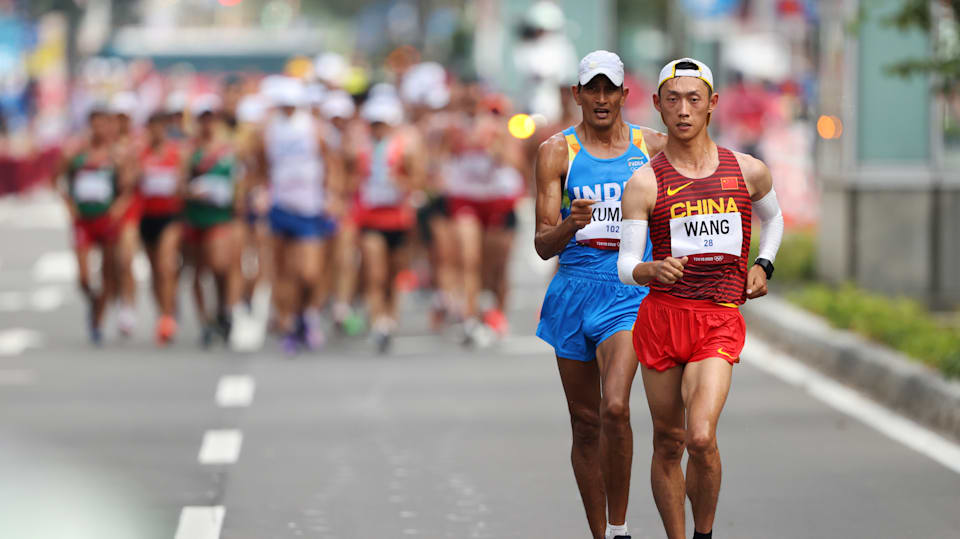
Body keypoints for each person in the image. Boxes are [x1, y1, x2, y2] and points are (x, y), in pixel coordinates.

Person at [617, 58, 784, 539]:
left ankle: (705, 533)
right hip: (663, 320)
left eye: (694, 99)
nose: (683, 110)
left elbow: (773, 219)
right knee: (668, 442)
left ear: (712, 104)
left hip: (717, 318)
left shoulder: (747, 171)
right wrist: (650, 268)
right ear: (657, 105)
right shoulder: (645, 182)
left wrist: (763, 263)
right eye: (673, 99)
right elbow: (626, 267)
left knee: (701, 436)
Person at [533, 50, 665, 539]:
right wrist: (572, 221)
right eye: (594, 89)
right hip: (573, 291)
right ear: (578, 94)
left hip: (627, 291)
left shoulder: (651, 147)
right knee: (585, 422)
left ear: (626, 94)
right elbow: (543, 244)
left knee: (615, 407)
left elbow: (684, 208)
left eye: (612, 89)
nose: (603, 99)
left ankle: (621, 526)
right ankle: (601, 534)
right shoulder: (555, 152)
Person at [259, 78, 341, 354]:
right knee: (283, 272)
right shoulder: (268, 130)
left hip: (310, 207)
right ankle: (288, 323)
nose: (288, 109)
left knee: (309, 272)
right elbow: (261, 164)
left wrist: (332, 195)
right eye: (284, 105)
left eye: (292, 105)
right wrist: (260, 191)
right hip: (281, 205)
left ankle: (308, 313)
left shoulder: (314, 128)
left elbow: (331, 163)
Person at [57, 106, 137, 344]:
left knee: (108, 273)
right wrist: (68, 204)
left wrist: (119, 207)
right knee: (83, 277)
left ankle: (98, 321)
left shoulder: (118, 155)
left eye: (105, 124)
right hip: (83, 220)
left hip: (107, 220)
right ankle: (92, 301)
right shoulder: (76, 153)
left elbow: (129, 189)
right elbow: (58, 179)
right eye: (96, 124)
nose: (100, 129)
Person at [354, 92, 424, 353]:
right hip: (371, 218)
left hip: (399, 219)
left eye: (382, 123)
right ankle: (377, 322)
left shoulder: (405, 148)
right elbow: (348, 179)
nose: (378, 128)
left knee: (394, 275)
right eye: (374, 123)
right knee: (374, 273)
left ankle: (390, 320)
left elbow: (418, 183)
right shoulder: (360, 149)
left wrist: (400, 181)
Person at [183, 95, 243, 347]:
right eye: (203, 119)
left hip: (221, 216)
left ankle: (223, 308)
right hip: (195, 215)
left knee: (219, 265)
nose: (208, 124)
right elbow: (179, 184)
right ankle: (204, 321)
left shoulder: (230, 149)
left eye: (212, 118)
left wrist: (235, 200)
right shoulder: (189, 150)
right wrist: (192, 191)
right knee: (198, 270)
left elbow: (241, 181)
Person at [137, 111, 184, 345]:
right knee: (154, 270)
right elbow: (130, 182)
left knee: (166, 265)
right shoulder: (138, 153)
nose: (156, 132)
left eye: (160, 127)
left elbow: (184, 182)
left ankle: (167, 317)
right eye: (152, 127)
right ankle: (163, 310)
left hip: (170, 217)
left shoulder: (177, 153)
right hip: (146, 217)